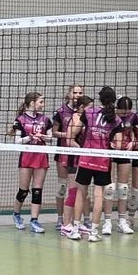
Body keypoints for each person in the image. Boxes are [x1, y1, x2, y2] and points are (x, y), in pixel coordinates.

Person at [68, 87, 119, 241]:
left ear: (100, 98)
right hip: (103, 160)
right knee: (99, 196)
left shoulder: (89, 112)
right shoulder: (116, 119)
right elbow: (118, 144)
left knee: (81, 193)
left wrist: (81, 144)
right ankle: (94, 233)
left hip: (86, 158)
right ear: (114, 100)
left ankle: (75, 230)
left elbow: (73, 133)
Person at [10, 92, 51, 233]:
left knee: (37, 191)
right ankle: (16, 214)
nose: (43, 104)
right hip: (27, 157)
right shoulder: (20, 120)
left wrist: (42, 136)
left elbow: (50, 138)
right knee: (23, 190)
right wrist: (29, 137)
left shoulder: (45, 119)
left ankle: (34, 220)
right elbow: (17, 141)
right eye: (41, 102)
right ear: (32, 103)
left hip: (41, 157)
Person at [52, 84, 86, 237]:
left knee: (80, 188)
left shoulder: (85, 112)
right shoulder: (60, 112)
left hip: (78, 154)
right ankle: (61, 219)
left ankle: (79, 220)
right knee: (62, 187)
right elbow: (54, 132)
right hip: (63, 152)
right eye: (75, 92)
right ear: (69, 94)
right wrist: (68, 134)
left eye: (80, 93)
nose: (77, 95)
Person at [108, 96, 138, 235]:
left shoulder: (133, 117)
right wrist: (109, 143)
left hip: (125, 153)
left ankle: (122, 220)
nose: (125, 113)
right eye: (122, 110)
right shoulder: (111, 117)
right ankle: (107, 221)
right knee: (109, 187)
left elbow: (134, 132)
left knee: (123, 188)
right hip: (111, 153)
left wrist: (133, 141)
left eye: (127, 110)